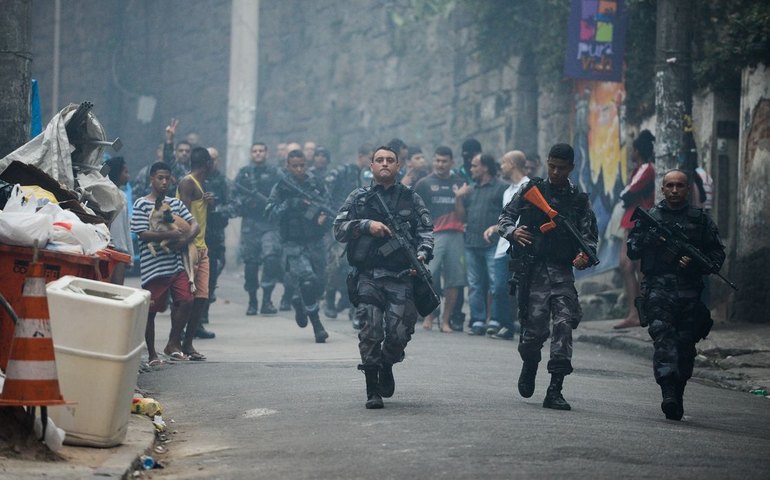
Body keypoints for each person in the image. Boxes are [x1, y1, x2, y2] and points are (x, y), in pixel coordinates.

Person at [498, 143, 598, 411]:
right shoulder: (532, 190)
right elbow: (505, 219)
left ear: (571, 168)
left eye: (561, 168)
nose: (555, 172)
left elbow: (589, 238)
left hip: (562, 273)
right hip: (534, 272)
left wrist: (584, 256)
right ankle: (530, 363)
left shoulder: (579, 200)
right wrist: (513, 233)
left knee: (564, 324)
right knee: (534, 334)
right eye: (551, 166)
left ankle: (555, 388)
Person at [333, 145, 434, 409]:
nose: (385, 164)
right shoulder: (359, 198)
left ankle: (387, 363)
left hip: (402, 276)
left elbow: (426, 231)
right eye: (380, 160)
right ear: (372, 167)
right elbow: (339, 229)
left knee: (400, 333)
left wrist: (423, 253)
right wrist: (366, 225)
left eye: (390, 160)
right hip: (368, 276)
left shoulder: (410, 198)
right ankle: (371, 389)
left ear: (399, 166)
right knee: (370, 330)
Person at [627, 169, 725, 421]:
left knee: (685, 347)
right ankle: (668, 391)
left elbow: (715, 257)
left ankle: (678, 391)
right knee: (664, 339)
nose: (674, 190)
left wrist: (694, 263)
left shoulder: (700, 221)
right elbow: (633, 251)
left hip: (690, 295)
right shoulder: (651, 217)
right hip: (658, 291)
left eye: (679, 186)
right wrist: (651, 238)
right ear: (662, 189)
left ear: (687, 189)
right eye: (669, 185)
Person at [131, 162, 199, 366]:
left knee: (187, 300)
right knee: (151, 310)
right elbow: (141, 233)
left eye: (167, 178)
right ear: (151, 178)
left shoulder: (175, 204)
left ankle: (172, 342)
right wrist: (169, 233)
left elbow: (193, 224)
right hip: (154, 266)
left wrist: (185, 239)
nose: (163, 182)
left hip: (176, 263)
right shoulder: (141, 204)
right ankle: (152, 354)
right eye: (160, 178)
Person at [266, 149, 330, 343]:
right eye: (295, 166)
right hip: (293, 243)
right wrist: (290, 204)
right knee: (307, 280)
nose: (299, 169)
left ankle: (300, 302)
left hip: (316, 241)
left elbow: (328, 204)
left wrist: (323, 217)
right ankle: (317, 325)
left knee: (320, 284)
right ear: (288, 166)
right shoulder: (281, 188)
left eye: (302, 165)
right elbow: (270, 214)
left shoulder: (316, 183)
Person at [414, 146, 466, 333]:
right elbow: (416, 213)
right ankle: (429, 315)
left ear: (452, 163)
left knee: (454, 279)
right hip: (432, 235)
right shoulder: (424, 183)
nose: (440, 164)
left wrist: (459, 198)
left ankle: (446, 320)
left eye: (444, 161)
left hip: (456, 234)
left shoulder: (460, 183)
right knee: (430, 277)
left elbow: (463, 216)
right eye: (437, 160)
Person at [455, 153, 508, 335]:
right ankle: (477, 321)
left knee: (495, 284)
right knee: (475, 284)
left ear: (485, 167)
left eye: (475, 166)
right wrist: (459, 198)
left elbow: (508, 215)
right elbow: (461, 218)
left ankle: (495, 319)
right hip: (471, 242)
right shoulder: (471, 190)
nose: (471, 169)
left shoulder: (502, 188)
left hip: (493, 243)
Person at [322, 144, 373, 323]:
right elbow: (326, 190)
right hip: (341, 225)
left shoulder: (370, 177)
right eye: (370, 158)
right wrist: (331, 212)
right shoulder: (342, 172)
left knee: (358, 266)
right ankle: (329, 299)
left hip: (361, 227)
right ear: (361, 156)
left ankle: (354, 308)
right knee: (336, 264)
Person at [483, 150, 529, 340]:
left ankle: (526, 327)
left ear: (512, 164)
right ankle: (507, 325)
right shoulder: (508, 191)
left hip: (522, 247)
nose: (501, 166)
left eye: (503, 162)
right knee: (501, 287)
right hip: (503, 248)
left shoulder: (528, 187)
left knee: (524, 289)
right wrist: (496, 227)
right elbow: (508, 218)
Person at [234, 142, 282, 315]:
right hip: (250, 223)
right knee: (251, 263)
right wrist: (246, 202)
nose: (258, 153)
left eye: (261, 150)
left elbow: (284, 192)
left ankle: (267, 299)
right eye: (255, 151)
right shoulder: (244, 174)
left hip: (269, 223)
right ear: (251, 154)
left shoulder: (275, 173)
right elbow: (234, 196)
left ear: (266, 153)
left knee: (271, 258)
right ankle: (252, 300)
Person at [614, 130, 655, 329]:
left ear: (637, 150)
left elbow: (628, 193)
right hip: (631, 219)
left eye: (632, 149)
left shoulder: (647, 169)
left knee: (637, 265)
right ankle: (635, 312)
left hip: (639, 219)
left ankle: (641, 311)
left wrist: (626, 194)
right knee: (627, 265)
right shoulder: (639, 169)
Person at [202, 147, 232, 324]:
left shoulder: (223, 182)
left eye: (213, 159)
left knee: (212, 273)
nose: (210, 162)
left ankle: (204, 310)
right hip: (197, 233)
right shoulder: (195, 178)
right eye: (207, 159)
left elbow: (233, 205)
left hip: (215, 234)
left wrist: (215, 209)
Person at [104, 156, 134, 285]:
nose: (128, 176)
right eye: (125, 172)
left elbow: (126, 228)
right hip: (109, 248)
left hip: (121, 250)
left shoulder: (123, 196)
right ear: (116, 173)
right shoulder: (104, 193)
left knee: (117, 289)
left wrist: (130, 255)